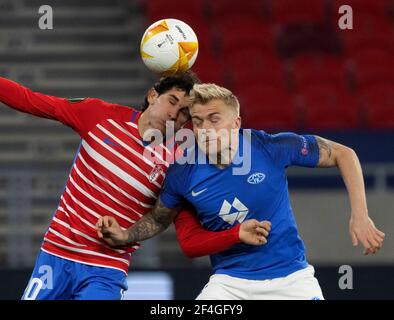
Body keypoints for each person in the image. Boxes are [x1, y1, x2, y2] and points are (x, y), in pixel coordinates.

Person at [97, 83, 385, 300]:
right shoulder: (182, 173)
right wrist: (125, 235)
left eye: (214, 119)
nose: (205, 129)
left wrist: (360, 215)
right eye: (197, 121)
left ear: (236, 123)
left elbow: (343, 154)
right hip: (229, 284)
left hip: (291, 279)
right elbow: (159, 218)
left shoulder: (269, 148)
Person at [0, 73, 268, 299]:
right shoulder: (98, 116)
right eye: (171, 101)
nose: (174, 113)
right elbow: (29, 100)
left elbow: (166, 219)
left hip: (106, 268)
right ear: (153, 95)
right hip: (56, 254)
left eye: (184, 111)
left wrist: (126, 235)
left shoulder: (179, 161)